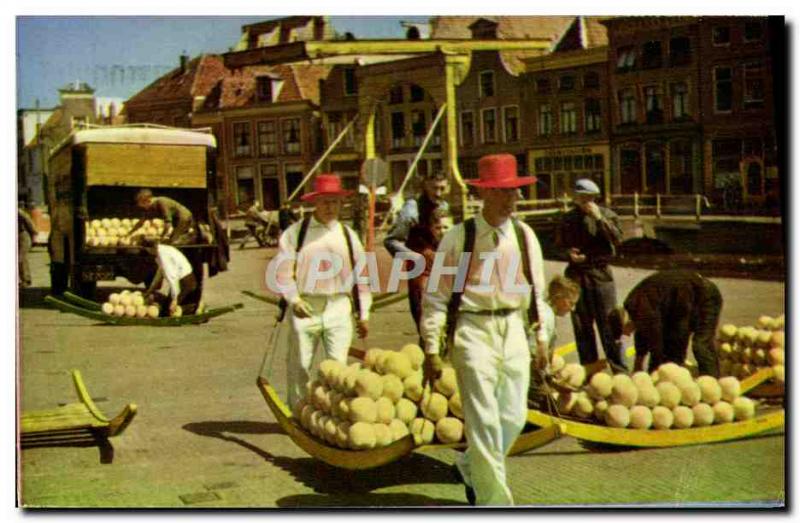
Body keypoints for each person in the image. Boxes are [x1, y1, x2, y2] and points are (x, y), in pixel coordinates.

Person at [420, 154, 548, 506]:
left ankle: (468, 465)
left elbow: (538, 292)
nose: (514, 200)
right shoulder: (460, 238)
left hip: (514, 330)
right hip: (473, 331)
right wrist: (432, 349)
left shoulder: (525, 236)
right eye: (505, 193)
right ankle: (494, 503)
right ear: (486, 194)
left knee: (514, 416)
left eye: (516, 192)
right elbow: (437, 296)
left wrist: (542, 338)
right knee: (484, 422)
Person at [276, 174, 372, 408]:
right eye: (325, 201)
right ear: (314, 203)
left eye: (334, 201)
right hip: (305, 307)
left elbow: (362, 279)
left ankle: (331, 413)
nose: (330, 207)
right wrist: (293, 299)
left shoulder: (349, 236)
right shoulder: (295, 234)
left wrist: (364, 314)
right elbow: (283, 273)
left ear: (341, 203)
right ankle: (297, 413)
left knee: (337, 367)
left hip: (339, 307)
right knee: (300, 365)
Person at [558, 178, 626, 371]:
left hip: (600, 274)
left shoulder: (607, 215)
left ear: (595, 198)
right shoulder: (568, 219)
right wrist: (567, 254)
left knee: (610, 326)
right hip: (576, 275)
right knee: (582, 328)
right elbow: (557, 246)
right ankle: (590, 372)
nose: (585, 201)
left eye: (589, 198)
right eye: (581, 197)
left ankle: (620, 371)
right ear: (575, 197)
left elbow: (618, 240)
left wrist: (599, 219)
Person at [608, 270, 723, 377]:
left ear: (625, 323)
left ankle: (713, 381)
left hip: (705, 297)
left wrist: (654, 372)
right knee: (670, 350)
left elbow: (657, 343)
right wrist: (638, 364)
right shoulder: (635, 306)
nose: (628, 335)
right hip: (683, 301)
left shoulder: (640, 307)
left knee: (701, 345)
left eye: (624, 332)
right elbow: (644, 334)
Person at [384, 170, 450, 332]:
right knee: (424, 319)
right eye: (434, 188)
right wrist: (414, 257)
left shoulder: (443, 205)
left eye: (442, 188)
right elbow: (391, 240)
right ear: (426, 186)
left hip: (440, 263)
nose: (438, 193)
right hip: (419, 265)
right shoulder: (412, 208)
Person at [405, 208, 453, 337]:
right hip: (431, 308)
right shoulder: (426, 254)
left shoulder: (458, 249)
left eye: (446, 227)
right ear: (431, 229)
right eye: (438, 228)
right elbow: (420, 287)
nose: (442, 231)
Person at [141, 238, 203, 316]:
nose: (148, 253)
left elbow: (172, 279)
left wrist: (174, 299)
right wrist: (150, 290)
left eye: (148, 250)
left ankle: (192, 309)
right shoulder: (161, 251)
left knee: (168, 310)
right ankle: (190, 307)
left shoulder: (164, 256)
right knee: (167, 305)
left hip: (186, 280)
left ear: (151, 249)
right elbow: (159, 274)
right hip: (184, 279)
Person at [129, 189, 196, 245]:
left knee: (174, 241)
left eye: (142, 204)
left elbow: (168, 222)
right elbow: (141, 222)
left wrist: (162, 236)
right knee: (172, 240)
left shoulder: (161, 202)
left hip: (184, 218)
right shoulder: (149, 207)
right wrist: (130, 233)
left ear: (147, 201)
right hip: (176, 220)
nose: (142, 207)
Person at [540, 275, 582, 354]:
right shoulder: (547, 317)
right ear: (558, 298)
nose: (572, 309)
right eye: (571, 303)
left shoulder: (546, 311)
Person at [18, 197, 37, 288]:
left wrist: (34, 235)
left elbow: (29, 223)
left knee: (21, 258)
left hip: (22, 236)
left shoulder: (19, 212)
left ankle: (26, 280)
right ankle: (22, 279)